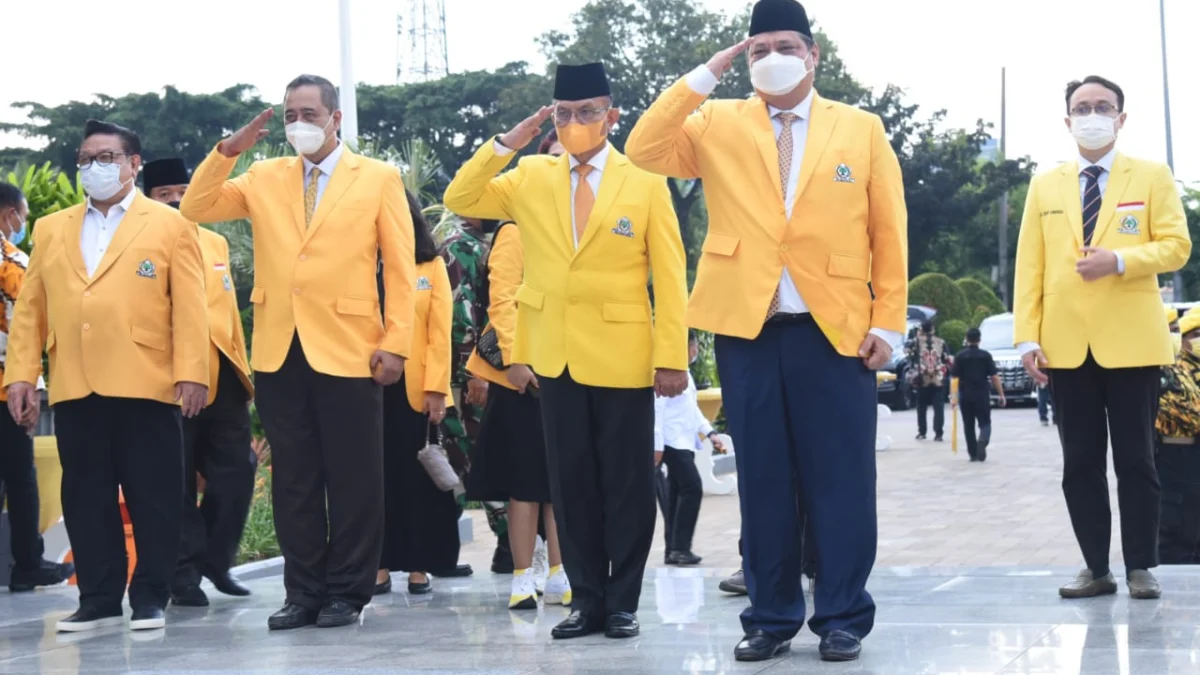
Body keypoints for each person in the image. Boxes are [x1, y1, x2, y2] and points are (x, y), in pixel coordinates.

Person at [625, 0, 908, 662]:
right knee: (763, 479)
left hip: (835, 331)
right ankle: (772, 615)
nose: (771, 57)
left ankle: (841, 614)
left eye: (785, 45)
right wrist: (706, 72)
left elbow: (888, 232)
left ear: (813, 55)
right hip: (748, 330)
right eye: (757, 49)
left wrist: (888, 324)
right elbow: (643, 148)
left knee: (841, 481)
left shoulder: (859, 128)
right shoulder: (717, 121)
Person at [444, 61, 689, 640]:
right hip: (554, 355)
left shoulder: (646, 183)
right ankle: (586, 599)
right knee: (570, 484)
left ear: (612, 115)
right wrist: (510, 141)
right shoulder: (530, 175)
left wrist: (672, 357)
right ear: (551, 118)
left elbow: (672, 277)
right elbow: (462, 195)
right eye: (565, 113)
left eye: (587, 111)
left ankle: (623, 600)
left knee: (627, 484)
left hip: (625, 355)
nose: (576, 122)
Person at [180, 75, 416, 629]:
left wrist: (397, 342)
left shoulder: (377, 178)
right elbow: (196, 206)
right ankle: (302, 591)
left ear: (335, 118)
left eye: (309, 113)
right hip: (280, 350)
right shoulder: (263, 175)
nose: (298, 124)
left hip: (352, 349)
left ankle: (347, 592)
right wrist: (228, 152)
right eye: (290, 114)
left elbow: (403, 270)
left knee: (354, 479)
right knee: (294, 480)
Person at [5, 120, 209, 632]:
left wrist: (192, 372)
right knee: (86, 495)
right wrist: (20, 377)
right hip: (77, 381)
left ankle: (150, 598)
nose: (93, 166)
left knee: (154, 496)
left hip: (148, 379)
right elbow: (31, 311)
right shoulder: (53, 228)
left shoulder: (167, 224)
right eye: (86, 157)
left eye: (106, 157)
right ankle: (97, 598)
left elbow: (189, 306)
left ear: (133, 164)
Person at [1014, 75, 1191, 601]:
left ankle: (1140, 566)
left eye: (1102, 106)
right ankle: (1096, 567)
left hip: (1133, 343)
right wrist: (1028, 338)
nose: (1092, 115)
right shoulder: (1045, 184)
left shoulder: (1152, 176)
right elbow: (1030, 266)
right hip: (1066, 346)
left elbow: (1177, 246)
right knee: (1079, 463)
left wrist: (1120, 260)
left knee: (1136, 459)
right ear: (1067, 121)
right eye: (1081, 107)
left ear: (1121, 117)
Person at [140, 158, 257, 607]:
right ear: (148, 198)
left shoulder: (215, 241)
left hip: (222, 377)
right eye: (163, 191)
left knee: (238, 471)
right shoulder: (140, 244)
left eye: (182, 189)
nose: (174, 199)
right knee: (177, 481)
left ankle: (216, 559)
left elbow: (228, 315)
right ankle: (183, 574)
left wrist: (241, 378)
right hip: (166, 378)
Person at [464, 220, 570, 610]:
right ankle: (523, 577)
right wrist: (515, 359)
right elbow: (502, 300)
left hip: (565, 368)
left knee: (559, 482)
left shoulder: (574, 227)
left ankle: (561, 574)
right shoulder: (516, 230)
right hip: (521, 376)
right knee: (525, 484)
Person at [376, 190, 456, 596]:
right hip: (368, 389)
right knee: (376, 479)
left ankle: (419, 566)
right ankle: (380, 563)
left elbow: (440, 334)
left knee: (416, 479)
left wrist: (437, 390)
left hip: (416, 392)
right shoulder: (363, 265)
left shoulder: (431, 265)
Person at [0, 182, 75, 593]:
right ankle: (28, 564)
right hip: (6, 384)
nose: (20, 228)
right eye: (21, 220)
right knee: (19, 476)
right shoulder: (10, 258)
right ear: (9, 213)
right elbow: (32, 310)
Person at [438, 215, 508, 575]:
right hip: (468, 375)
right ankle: (508, 543)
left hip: (475, 370)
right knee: (475, 453)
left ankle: (506, 546)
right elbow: (460, 316)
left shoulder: (478, 244)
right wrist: (474, 372)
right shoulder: (461, 246)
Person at [654, 331, 727, 566]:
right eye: (692, 346)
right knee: (692, 487)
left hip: (683, 442)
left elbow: (692, 410)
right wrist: (656, 445)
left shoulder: (685, 375)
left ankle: (674, 549)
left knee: (677, 493)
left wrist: (711, 433)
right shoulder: (665, 375)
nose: (695, 351)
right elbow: (656, 411)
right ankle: (680, 548)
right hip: (670, 442)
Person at [1155, 308, 1200, 564]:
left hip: (1191, 455)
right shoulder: (1161, 369)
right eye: (1194, 334)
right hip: (1174, 455)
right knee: (1176, 531)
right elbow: (1191, 414)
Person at [950, 327, 1005, 462]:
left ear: (966, 339)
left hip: (965, 394)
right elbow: (994, 377)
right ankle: (983, 439)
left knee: (968, 425)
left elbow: (954, 379)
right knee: (985, 422)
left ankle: (973, 453)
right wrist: (1001, 394)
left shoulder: (960, 356)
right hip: (981, 393)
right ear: (979, 340)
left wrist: (953, 397)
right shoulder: (985, 356)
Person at [906, 320, 952, 442]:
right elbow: (947, 359)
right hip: (938, 378)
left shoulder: (916, 342)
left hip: (922, 378)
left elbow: (908, 354)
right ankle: (938, 434)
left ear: (921, 329)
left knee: (921, 406)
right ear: (933, 329)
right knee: (939, 406)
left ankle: (922, 432)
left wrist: (917, 336)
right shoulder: (941, 342)